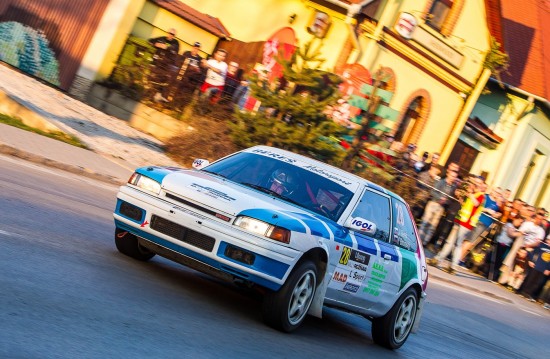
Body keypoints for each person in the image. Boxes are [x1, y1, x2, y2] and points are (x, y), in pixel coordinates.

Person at [427, 175, 486, 274]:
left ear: (481, 185)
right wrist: (462, 198)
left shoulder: (481, 195)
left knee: (458, 244)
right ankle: (437, 260)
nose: (475, 184)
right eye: (475, 182)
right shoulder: (473, 193)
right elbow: (465, 205)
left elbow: (476, 204)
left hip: (466, 224)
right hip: (460, 220)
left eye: (478, 183)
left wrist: (470, 194)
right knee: (449, 241)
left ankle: (453, 267)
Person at [418, 170, 458, 246]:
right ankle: (419, 240)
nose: (453, 178)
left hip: (441, 208)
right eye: (452, 176)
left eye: (455, 177)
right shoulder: (441, 182)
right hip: (433, 203)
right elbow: (433, 192)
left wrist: (446, 201)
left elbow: (450, 199)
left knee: (433, 226)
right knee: (425, 222)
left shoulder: (453, 187)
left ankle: (425, 242)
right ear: (448, 174)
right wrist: (440, 198)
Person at [148, 28, 180, 102]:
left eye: (173, 34)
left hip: (165, 65)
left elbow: (175, 50)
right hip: (156, 61)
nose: (171, 35)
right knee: (152, 77)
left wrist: (166, 47)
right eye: (170, 33)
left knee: (162, 80)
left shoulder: (176, 43)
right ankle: (150, 94)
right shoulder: (161, 38)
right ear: (167, 32)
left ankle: (157, 95)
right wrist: (155, 44)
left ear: (174, 36)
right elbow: (150, 40)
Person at [518, 235, 550, 301]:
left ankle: (530, 294)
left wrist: (548, 269)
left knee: (538, 282)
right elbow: (531, 252)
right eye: (549, 240)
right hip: (536, 266)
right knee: (530, 279)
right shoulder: (541, 245)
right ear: (547, 240)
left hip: (544, 269)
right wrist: (531, 261)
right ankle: (523, 291)